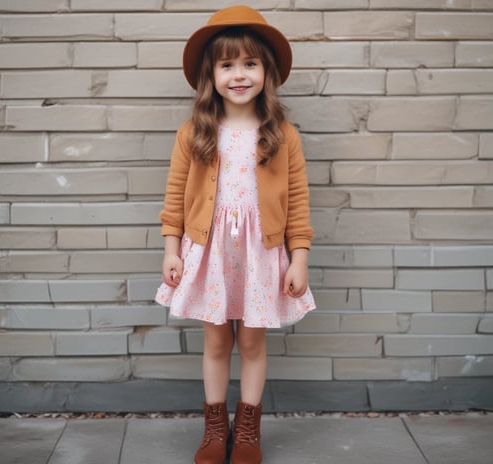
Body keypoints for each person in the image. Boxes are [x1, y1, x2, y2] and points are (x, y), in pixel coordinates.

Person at [155, 5, 316, 464]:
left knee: (251, 342)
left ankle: (247, 430)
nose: (239, 75)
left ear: (267, 71)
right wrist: (172, 250)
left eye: (250, 63)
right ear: (212, 74)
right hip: (207, 251)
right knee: (217, 342)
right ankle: (213, 428)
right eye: (227, 65)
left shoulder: (283, 136)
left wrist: (298, 258)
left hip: (262, 254)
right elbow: (173, 200)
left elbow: (299, 204)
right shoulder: (194, 133)